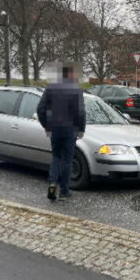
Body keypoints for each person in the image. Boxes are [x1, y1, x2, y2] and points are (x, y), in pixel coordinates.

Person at [37, 62, 86, 201]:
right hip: (70, 130)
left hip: (55, 129)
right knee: (67, 160)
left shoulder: (51, 88)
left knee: (56, 156)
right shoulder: (76, 90)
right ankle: (64, 190)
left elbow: (40, 109)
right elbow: (81, 112)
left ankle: (52, 183)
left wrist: (46, 125)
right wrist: (81, 129)